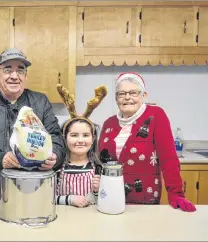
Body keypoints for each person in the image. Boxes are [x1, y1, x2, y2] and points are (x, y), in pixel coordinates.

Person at [0, 48, 64, 204]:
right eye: (8, 70)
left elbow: (57, 139)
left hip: (33, 197)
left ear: (25, 76)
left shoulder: (40, 102)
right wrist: (0, 158)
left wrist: (54, 157)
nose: (14, 76)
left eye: (20, 71)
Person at [98, 72, 196, 212]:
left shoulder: (156, 116)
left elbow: (168, 159)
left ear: (144, 95)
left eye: (133, 93)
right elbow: (100, 163)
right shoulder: (109, 123)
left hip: (144, 202)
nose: (127, 97)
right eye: (121, 93)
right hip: (110, 199)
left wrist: (176, 194)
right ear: (116, 98)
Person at [55, 84, 107, 207]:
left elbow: (106, 200)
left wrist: (98, 191)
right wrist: (70, 199)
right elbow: (47, 199)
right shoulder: (56, 169)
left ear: (93, 139)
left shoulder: (99, 169)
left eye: (85, 135)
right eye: (74, 135)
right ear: (65, 137)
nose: (80, 140)